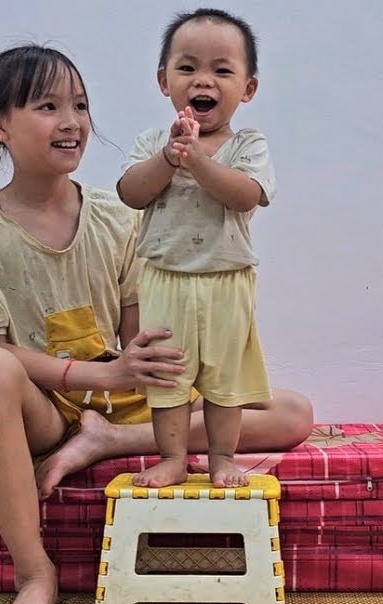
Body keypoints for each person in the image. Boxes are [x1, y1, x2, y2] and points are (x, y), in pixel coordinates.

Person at [0, 45, 313, 604]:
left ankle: (108, 443)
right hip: (43, 407)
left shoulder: (118, 215)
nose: (72, 121)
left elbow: (142, 336)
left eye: (79, 105)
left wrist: (164, 369)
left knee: (291, 411)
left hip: (120, 399)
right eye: (48, 106)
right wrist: (100, 377)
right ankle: (35, 573)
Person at [117, 8, 272, 489]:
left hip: (227, 280)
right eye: (188, 68)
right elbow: (131, 192)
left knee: (226, 381)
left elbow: (246, 195)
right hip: (165, 278)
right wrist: (168, 155)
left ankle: (223, 457)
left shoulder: (249, 144)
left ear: (247, 88)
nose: (203, 79)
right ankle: (173, 458)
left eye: (222, 70)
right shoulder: (152, 141)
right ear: (164, 80)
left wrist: (198, 159)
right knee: (167, 379)